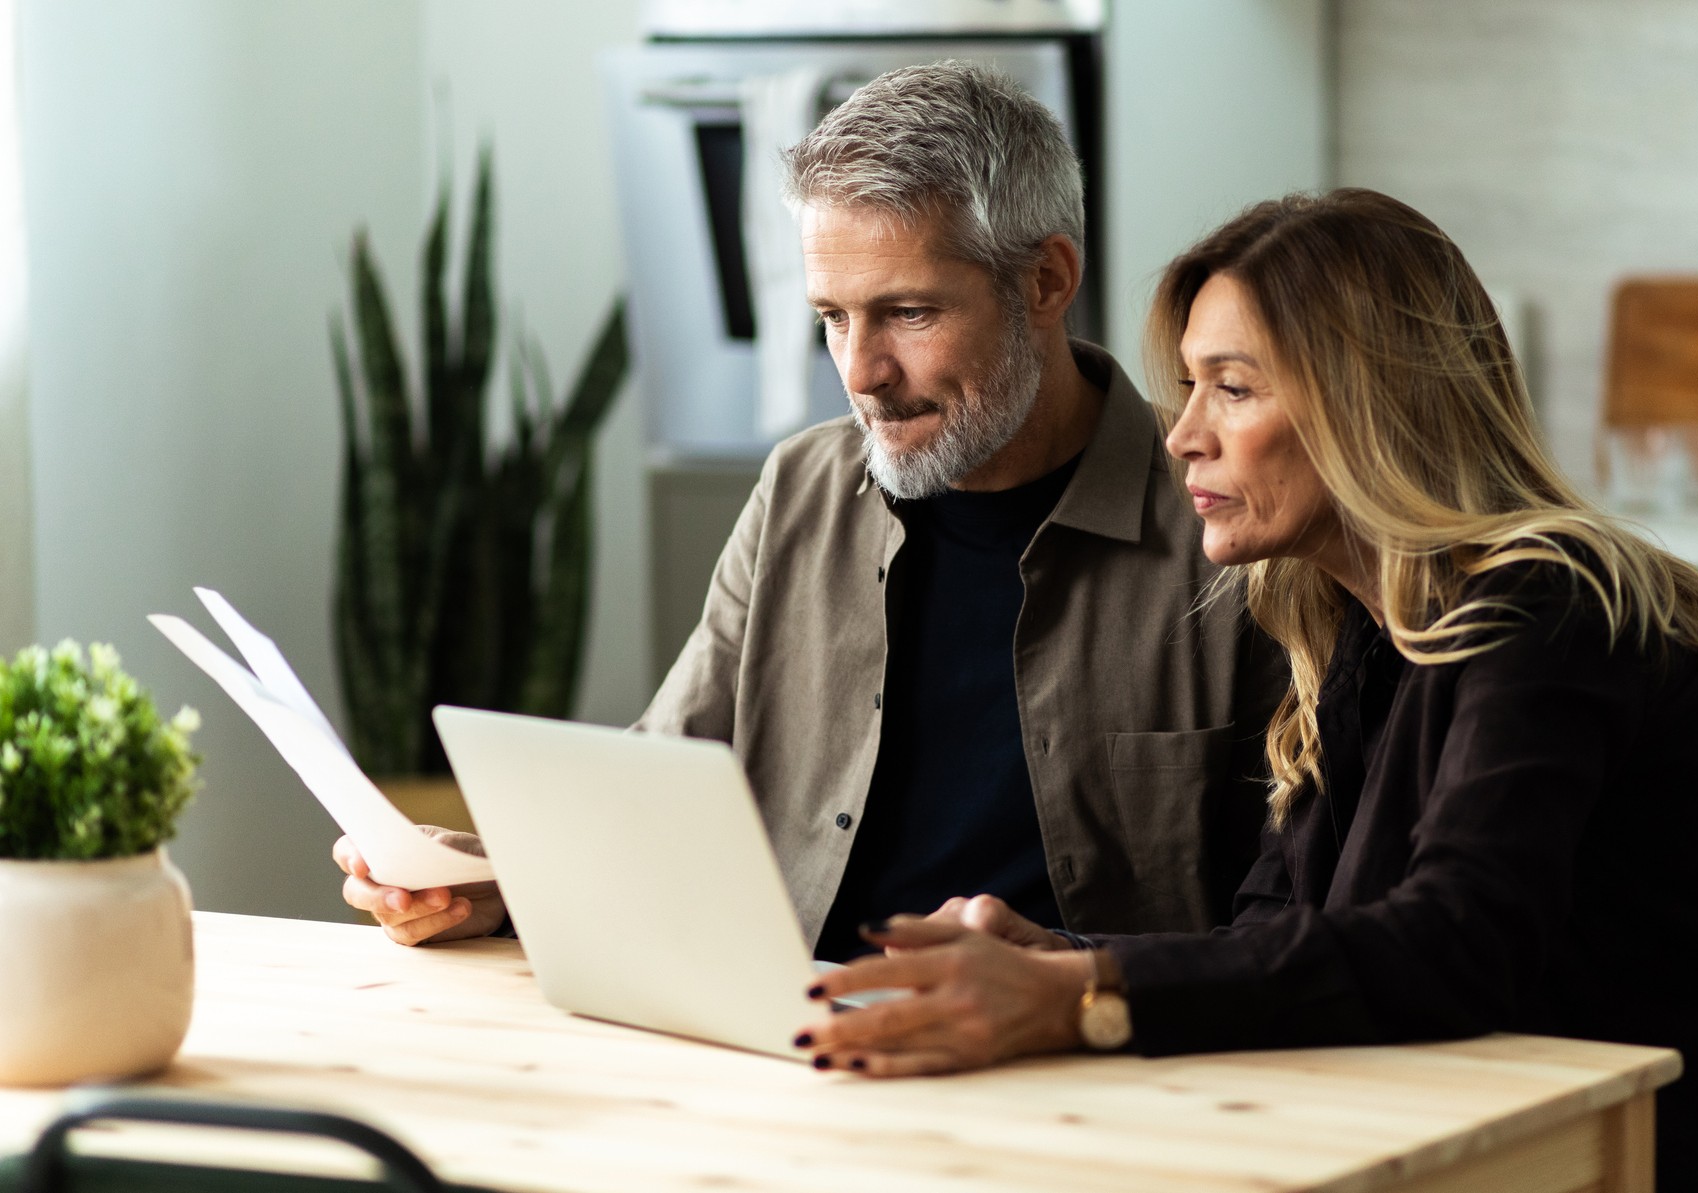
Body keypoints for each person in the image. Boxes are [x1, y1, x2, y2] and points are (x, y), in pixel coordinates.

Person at [791, 189, 1698, 1193]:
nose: (1182, 433)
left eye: (1234, 387)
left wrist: (1080, 997)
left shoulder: (1552, 606)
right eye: (1191, 384)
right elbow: (1270, 931)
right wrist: (1058, 953)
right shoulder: (1353, 622)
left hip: (1643, 1158)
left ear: (1370, 407)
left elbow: (1454, 945)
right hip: (1450, 1130)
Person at [333, 62, 1284, 959]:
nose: (861, 372)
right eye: (832, 316)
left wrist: (1075, 981)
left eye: (907, 313)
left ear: (1045, 280)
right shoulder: (801, 486)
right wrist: (492, 874)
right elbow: (659, 787)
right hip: (790, 1049)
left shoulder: (1233, 527)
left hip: (1085, 1070)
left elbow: (1293, 916)